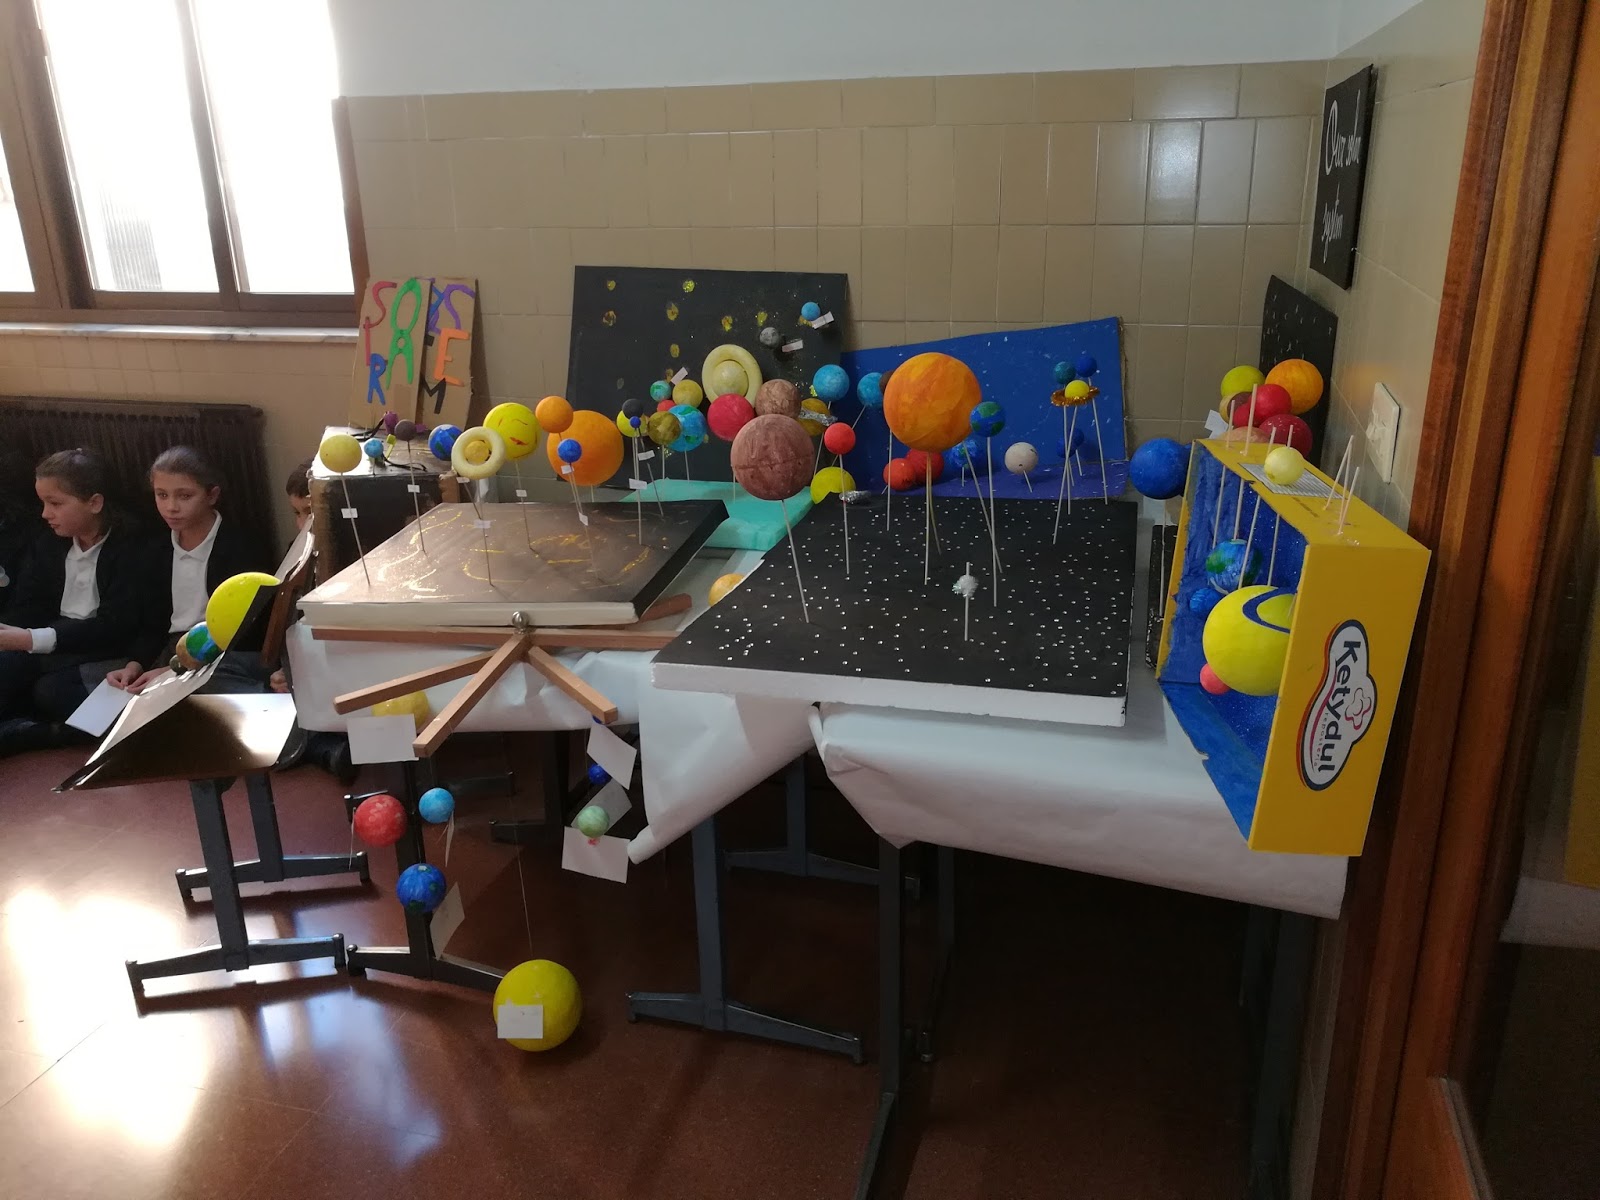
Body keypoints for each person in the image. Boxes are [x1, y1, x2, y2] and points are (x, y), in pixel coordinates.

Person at [0, 448, 161, 756]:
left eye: (55, 504)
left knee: (52, 691)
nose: (45, 514)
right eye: (43, 503)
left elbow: (117, 625)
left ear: (95, 503)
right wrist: (10, 630)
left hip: (107, 647)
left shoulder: (134, 548)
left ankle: (43, 734)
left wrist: (33, 638)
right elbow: (31, 602)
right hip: (57, 641)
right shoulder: (48, 542)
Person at [105, 446, 271, 694]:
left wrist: (176, 670)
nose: (171, 507)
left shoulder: (242, 546)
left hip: (220, 652)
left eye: (184, 496)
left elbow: (246, 629)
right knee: (121, 695)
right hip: (172, 649)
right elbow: (153, 624)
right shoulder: (155, 550)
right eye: (162, 495)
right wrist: (134, 665)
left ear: (212, 495)